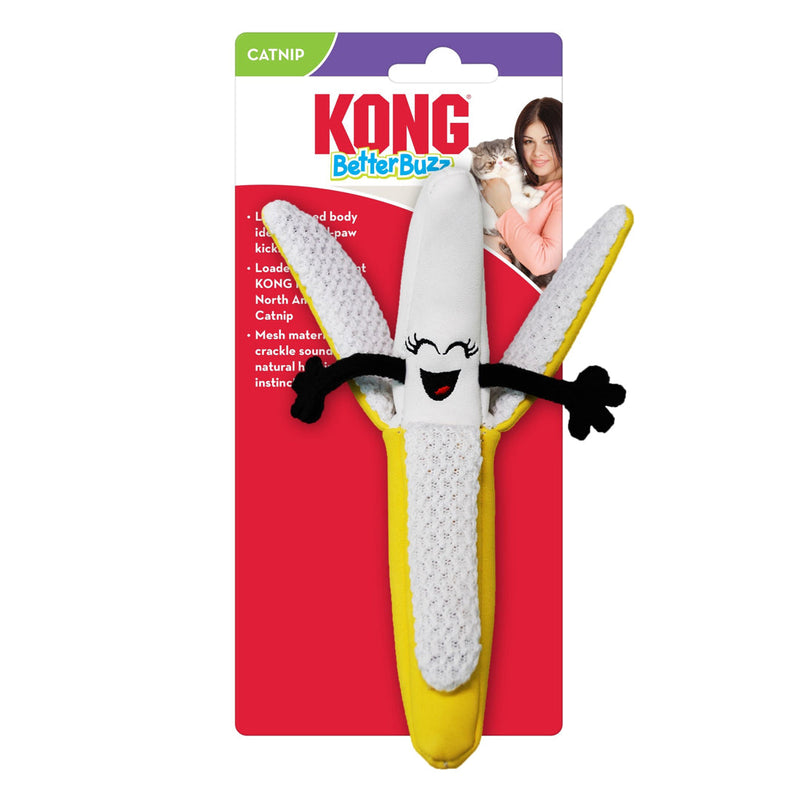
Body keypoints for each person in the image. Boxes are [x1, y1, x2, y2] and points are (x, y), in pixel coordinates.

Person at [482, 97, 562, 288]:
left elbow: (542, 262)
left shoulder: (564, 196)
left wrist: (502, 206)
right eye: (528, 142)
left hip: (531, 300)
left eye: (548, 141)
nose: (537, 152)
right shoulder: (517, 186)